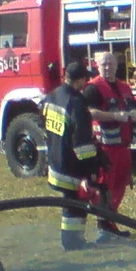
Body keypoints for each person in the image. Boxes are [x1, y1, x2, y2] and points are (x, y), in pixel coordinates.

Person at [43, 61, 103, 251]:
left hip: (55, 161)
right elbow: (82, 142)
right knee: (75, 205)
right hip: (71, 165)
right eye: (85, 79)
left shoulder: (52, 95)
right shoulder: (76, 102)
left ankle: (72, 239)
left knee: (70, 203)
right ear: (80, 80)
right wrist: (91, 169)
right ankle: (72, 242)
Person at [83, 52, 136, 239]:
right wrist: (113, 116)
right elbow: (89, 112)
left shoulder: (124, 87)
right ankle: (104, 227)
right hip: (104, 147)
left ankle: (110, 224)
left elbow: (132, 106)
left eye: (111, 64)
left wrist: (134, 114)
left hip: (123, 146)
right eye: (104, 64)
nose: (108, 67)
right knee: (105, 188)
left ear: (116, 65)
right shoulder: (93, 88)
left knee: (120, 186)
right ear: (97, 66)